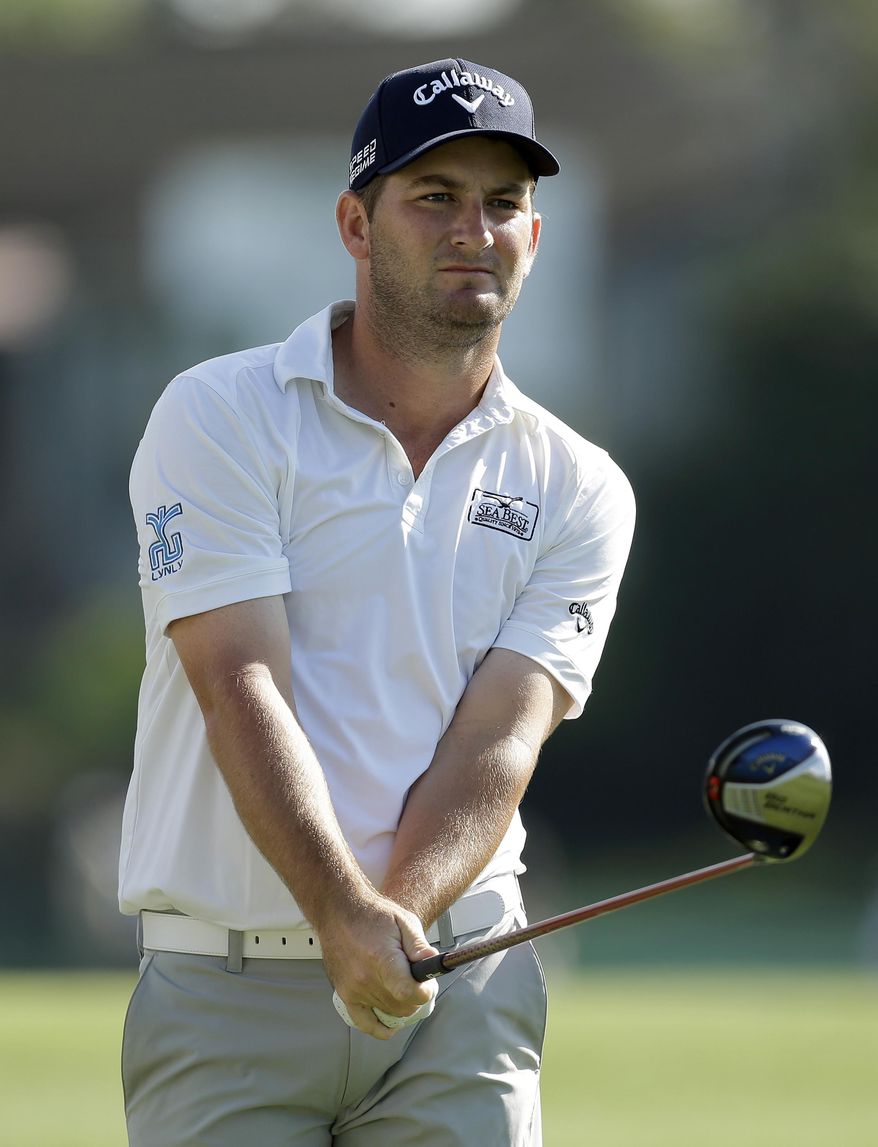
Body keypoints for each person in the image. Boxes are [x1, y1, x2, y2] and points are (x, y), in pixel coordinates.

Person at [119, 57, 635, 1146]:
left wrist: (390, 915)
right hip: (230, 985)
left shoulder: (576, 482)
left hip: (461, 979)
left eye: (503, 204)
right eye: (433, 196)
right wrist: (342, 915)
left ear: (533, 239)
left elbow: (498, 738)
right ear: (356, 223)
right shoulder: (221, 413)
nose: (473, 229)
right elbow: (238, 683)